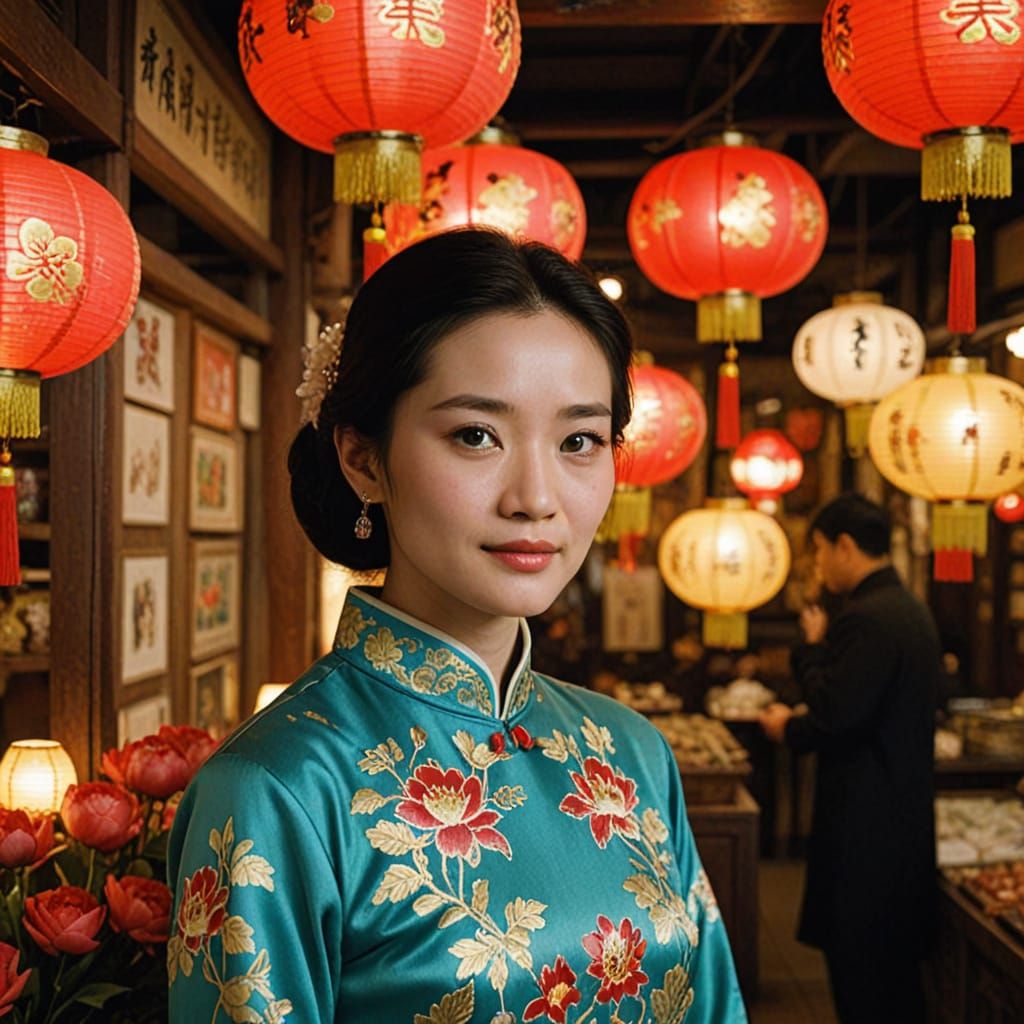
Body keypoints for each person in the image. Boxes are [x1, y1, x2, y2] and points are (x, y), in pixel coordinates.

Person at [168, 229, 746, 1023]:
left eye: (579, 441)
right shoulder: (278, 788)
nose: (535, 498)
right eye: (476, 435)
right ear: (363, 459)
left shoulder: (632, 750)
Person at [759, 493, 940, 1024]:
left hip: (867, 828)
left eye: (818, 550)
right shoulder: (907, 609)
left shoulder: (868, 619)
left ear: (844, 545)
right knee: (895, 984)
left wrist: (806, 667)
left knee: (864, 981)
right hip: (899, 818)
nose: (818, 564)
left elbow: (834, 716)